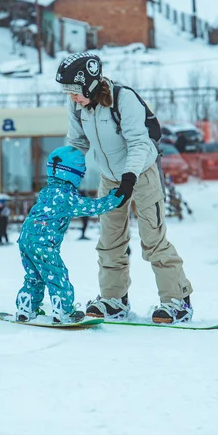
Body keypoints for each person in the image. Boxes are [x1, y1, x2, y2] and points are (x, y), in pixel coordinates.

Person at [55, 52, 193, 324]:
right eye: (67, 92)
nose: (72, 97)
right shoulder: (78, 106)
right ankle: (114, 299)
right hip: (109, 178)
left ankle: (177, 301)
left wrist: (130, 178)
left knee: (152, 239)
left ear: (91, 83)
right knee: (109, 242)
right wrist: (64, 174)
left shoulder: (124, 99)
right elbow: (78, 143)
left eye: (75, 91)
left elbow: (140, 143)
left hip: (141, 173)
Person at [15, 145, 123, 324]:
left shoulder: (46, 191)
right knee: (57, 275)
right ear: (75, 173)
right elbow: (92, 207)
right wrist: (113, 199)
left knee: (34, 276)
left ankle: (26, 307)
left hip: (25, 239)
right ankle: (62, 310)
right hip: (44, 244)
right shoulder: (67, 196)